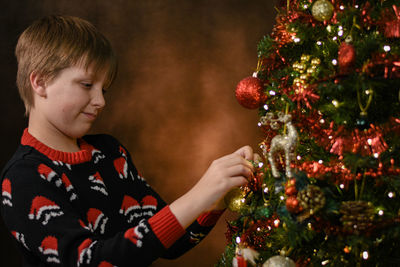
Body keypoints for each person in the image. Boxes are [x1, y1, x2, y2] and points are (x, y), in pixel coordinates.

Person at [0, 15, 258, 266]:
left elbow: (169, 241)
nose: (101, 101)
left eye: (104, 89)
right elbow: (91, 260)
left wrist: (219, 195)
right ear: (40, 82)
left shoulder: (110, 152)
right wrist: (201, 193)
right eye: (87, 84)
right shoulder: (23, 178)